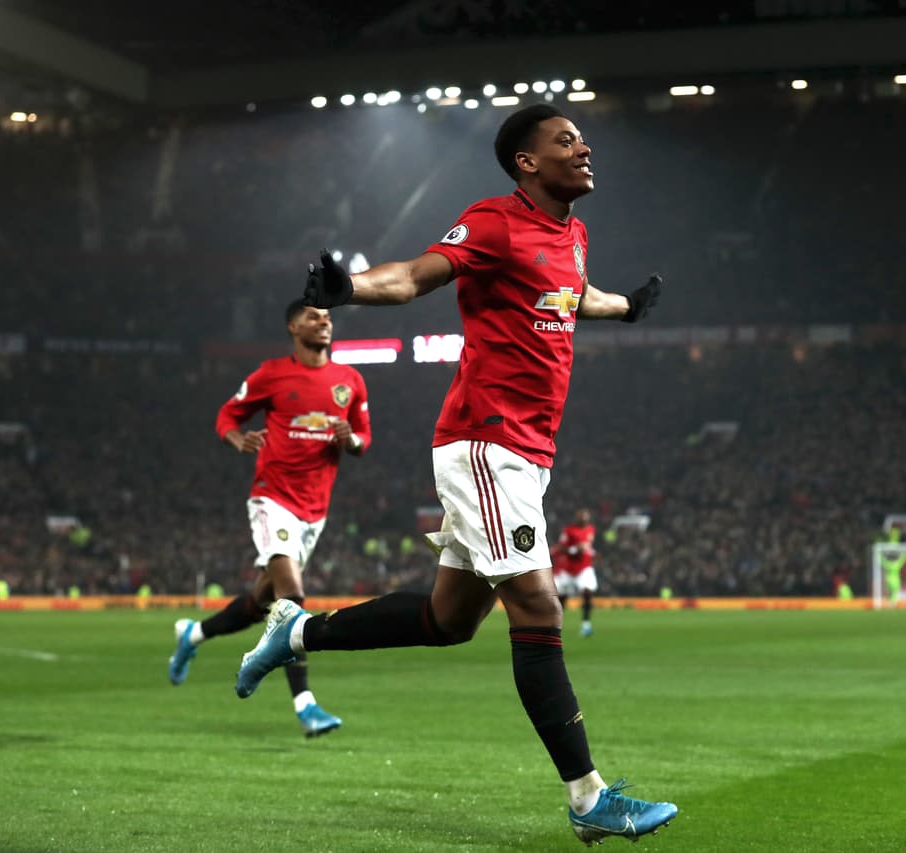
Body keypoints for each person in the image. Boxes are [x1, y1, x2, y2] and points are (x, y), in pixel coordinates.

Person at [234, 103, 676, 844]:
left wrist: (627, 307)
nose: (584, 146)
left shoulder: (572, 234)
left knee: (449, 620)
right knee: (538, 609)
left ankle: (296, 631)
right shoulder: (494, 220)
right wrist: (350, 291)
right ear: (527, 162)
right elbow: (412, 276)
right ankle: (588, 797)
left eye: (582, 137)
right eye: (565, 140)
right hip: (485, 440)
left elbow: (574, 296)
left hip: (528, 453)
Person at [167, 303, 370, 739]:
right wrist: (238, 438)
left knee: (261, 600)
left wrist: (349, 438)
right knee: (292, 598)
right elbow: (227, 415)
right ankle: (306, 706)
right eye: (314, 317)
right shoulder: (271, 374)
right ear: (293, 327)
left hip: (315, 510)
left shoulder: (349, 381)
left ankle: (194, 635)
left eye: (328, 316)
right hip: (272, 498)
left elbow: (362, 438)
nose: (325, 321)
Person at [553, 508, 598, 636]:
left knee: (587, 591)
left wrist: (593, 554)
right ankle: (556, 626)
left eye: (586, 518)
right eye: (581, 518)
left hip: (584, 568)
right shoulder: (568, 530)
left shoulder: (591, 530)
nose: (584, 520)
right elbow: (560, 548)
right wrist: (575, 549)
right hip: (568, 570)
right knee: (562, 598)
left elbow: (588, 548)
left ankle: (586, 624)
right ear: (576, 519)